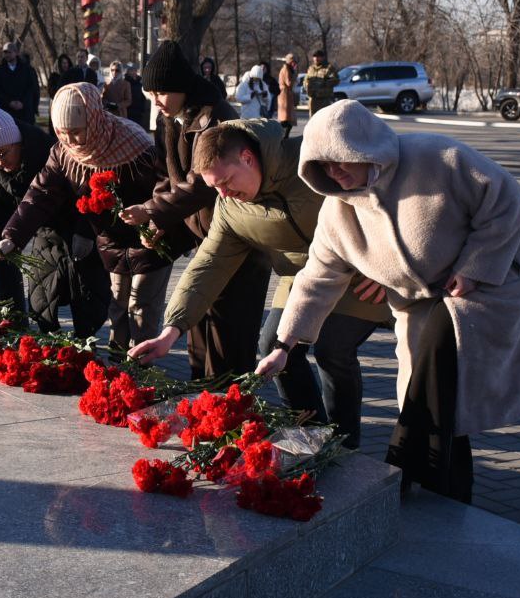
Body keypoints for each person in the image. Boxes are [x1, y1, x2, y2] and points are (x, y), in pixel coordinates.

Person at [256, 100, 520, 502]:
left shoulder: (437, 156)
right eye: (323, 165)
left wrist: (475, 266)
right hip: (417, 297)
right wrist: (283, 346)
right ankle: (445, 490)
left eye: (341, 158)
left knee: (441, 358)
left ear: (365, 146)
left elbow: (505, 199)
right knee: (428, 392)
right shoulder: (336, 214)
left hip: (494, 274)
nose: (335, 171)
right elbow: (316, 278)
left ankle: (407, 465)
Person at [129, 118, 388, 448]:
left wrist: (385, 265)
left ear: (248, 158)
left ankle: (346, 443)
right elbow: (207, 266)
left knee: (331, 348)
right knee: (271, 348)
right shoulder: (231, 206)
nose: (223, 194)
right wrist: (171, 330)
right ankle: (311, 433)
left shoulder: (310, 161)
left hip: (362, 272)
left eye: (226, 181)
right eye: (215, 188)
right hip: (303, 277)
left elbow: (381, 199)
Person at [121, 41, 269, 380]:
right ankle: (203, 400)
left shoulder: (214, 119)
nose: (155, 100)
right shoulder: (169, 117)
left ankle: (228, 410)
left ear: (181, 87)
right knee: (199, 326)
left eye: (160, 92)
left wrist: (155, 212)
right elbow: (164, 174)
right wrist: (156, 217)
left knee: (229, 330)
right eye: (150, 93)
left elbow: (200, 183)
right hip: (203, 235)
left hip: (236, 238)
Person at [0, 83, 174, 355]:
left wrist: (152, 216)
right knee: (118, 304)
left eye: (77, 132)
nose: (71, 141)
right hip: (111, 240)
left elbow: (165, 188)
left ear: (94, 119)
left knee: (141, 306)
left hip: (150, 238)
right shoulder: (63, 153)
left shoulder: (136, 147)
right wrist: (13, 235)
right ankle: (119, 364)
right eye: (62, 133)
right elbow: (40, 194)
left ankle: (141, 368)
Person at [0, 106, 111, 337]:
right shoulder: (1, 174)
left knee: (86, 295)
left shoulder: (50, 155)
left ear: (18, 143)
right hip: (45, 232)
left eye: (3, 153)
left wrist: (85, 231)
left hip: (78, 225)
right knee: (42, 299)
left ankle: (89, 342)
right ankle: (29, 330)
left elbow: (84, 192)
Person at [0, 41, 40, 124]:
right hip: (7, 112)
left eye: (9, 52)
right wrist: (9, 102)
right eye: (5, 53)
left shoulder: (27, 70)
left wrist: (23, 102)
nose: (7, 55)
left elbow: (32, 88)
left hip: (25, 112)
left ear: (16, 53)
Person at [304, 49, 340, 116]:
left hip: (324, 99)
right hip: (313, 99)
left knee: (324, 119)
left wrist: (325, 83)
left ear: (322, 57)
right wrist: (306, 85)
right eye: (314, 57)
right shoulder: (311, 68)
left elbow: (336, 80)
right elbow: (306, 80)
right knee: (313, 120)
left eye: (318, 57)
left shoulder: (328, 68)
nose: (316, 58)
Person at [123, 62, 150, 132]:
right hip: (129, 111)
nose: (133, 72)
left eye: (134, 70)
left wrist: (143, 108)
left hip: (139, 111)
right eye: (130, 70)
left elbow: (143, 96)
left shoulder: (140, 81)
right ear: (128, 71)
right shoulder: (125, 81)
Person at [276, 53, 299, 136]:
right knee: (286, 120)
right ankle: (283, 138)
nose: (294, 63)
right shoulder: (286, 69)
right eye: (293, 61)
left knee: (287, 120)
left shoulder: (287, 69)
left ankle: (284, 138)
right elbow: (289, 83)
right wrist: (295, 74)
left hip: (286, 96)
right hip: (285, 96)